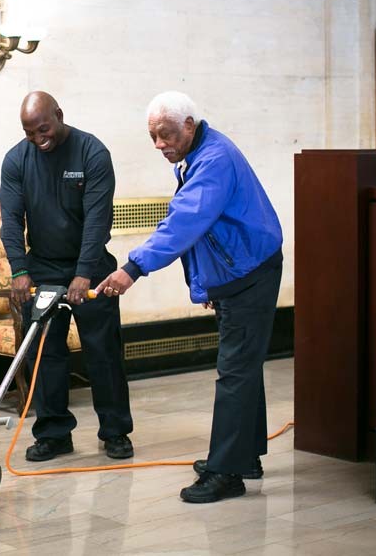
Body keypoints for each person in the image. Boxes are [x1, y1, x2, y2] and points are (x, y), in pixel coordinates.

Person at [96, 91, 283, 503]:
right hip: (241, 271)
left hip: (250, 273)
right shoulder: (198, 155)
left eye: (165, 135)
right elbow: (203, 228)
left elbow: (185, 223)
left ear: (189, 126)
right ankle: (245, 456)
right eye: (152, 137)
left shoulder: (213, 160)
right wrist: (209, 285)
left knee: (234, 372)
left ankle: (226, 472)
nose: (160, 145)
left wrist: (133, 268)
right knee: (244, 368)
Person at [0, 91, 134, 462]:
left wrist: (84, 273)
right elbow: (10, 220)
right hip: (42, 265)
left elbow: (97, 219)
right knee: (44, 353)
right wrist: (20, 270)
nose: (38, 138)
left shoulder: (92, 153)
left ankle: (115, 431)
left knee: (103, 351)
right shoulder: (16, 159)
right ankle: (54, 433)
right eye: (29, 132)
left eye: (43, 128)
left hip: (91, 265)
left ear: (59, 115)